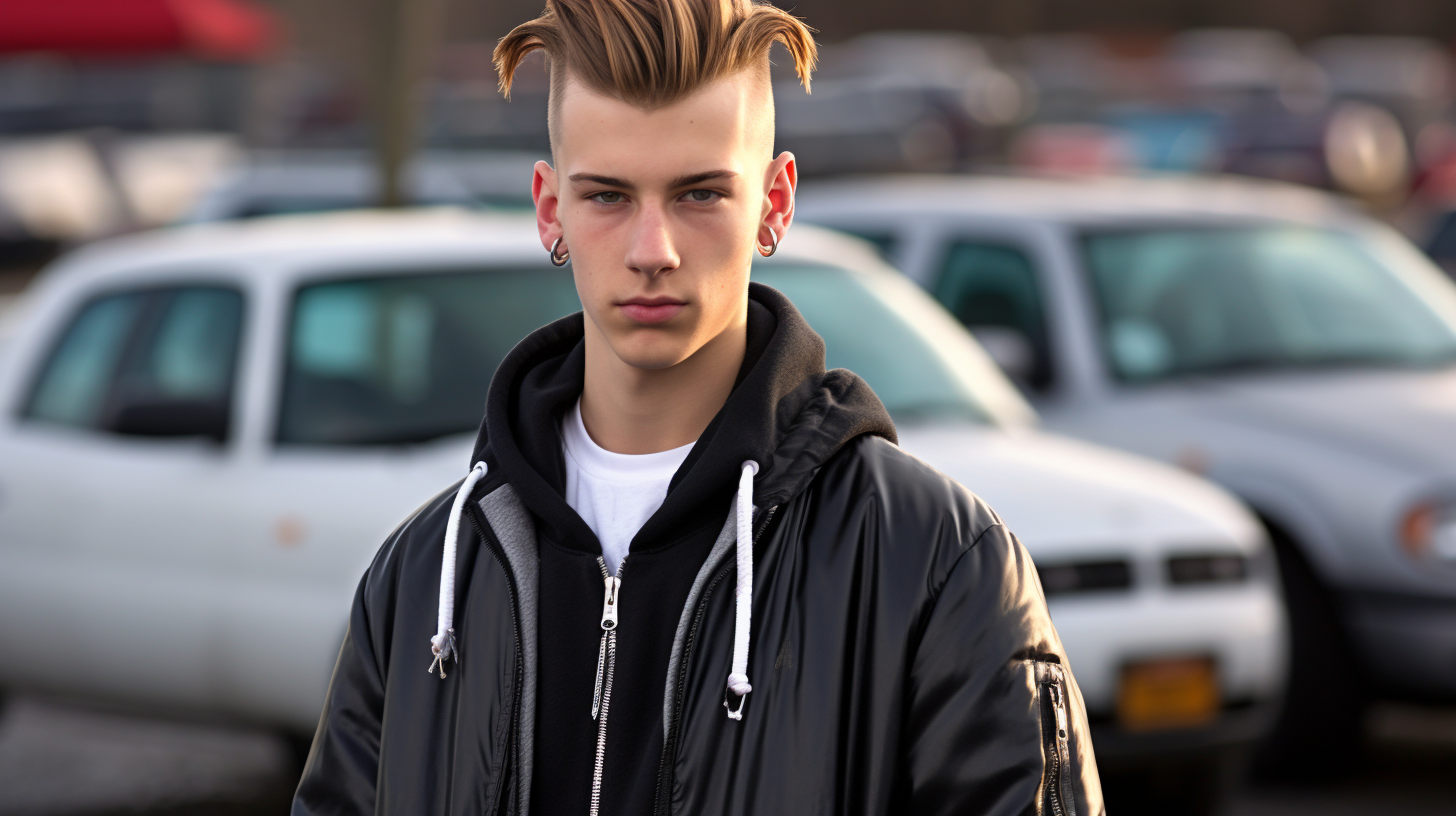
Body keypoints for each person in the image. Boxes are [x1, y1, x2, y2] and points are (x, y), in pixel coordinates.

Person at [292, 1, 1104, 814]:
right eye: (608, 197)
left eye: (700, 195)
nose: (654, 251)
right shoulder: (422, 576)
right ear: (550, 210)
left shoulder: (936, 562)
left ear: (774, 202)